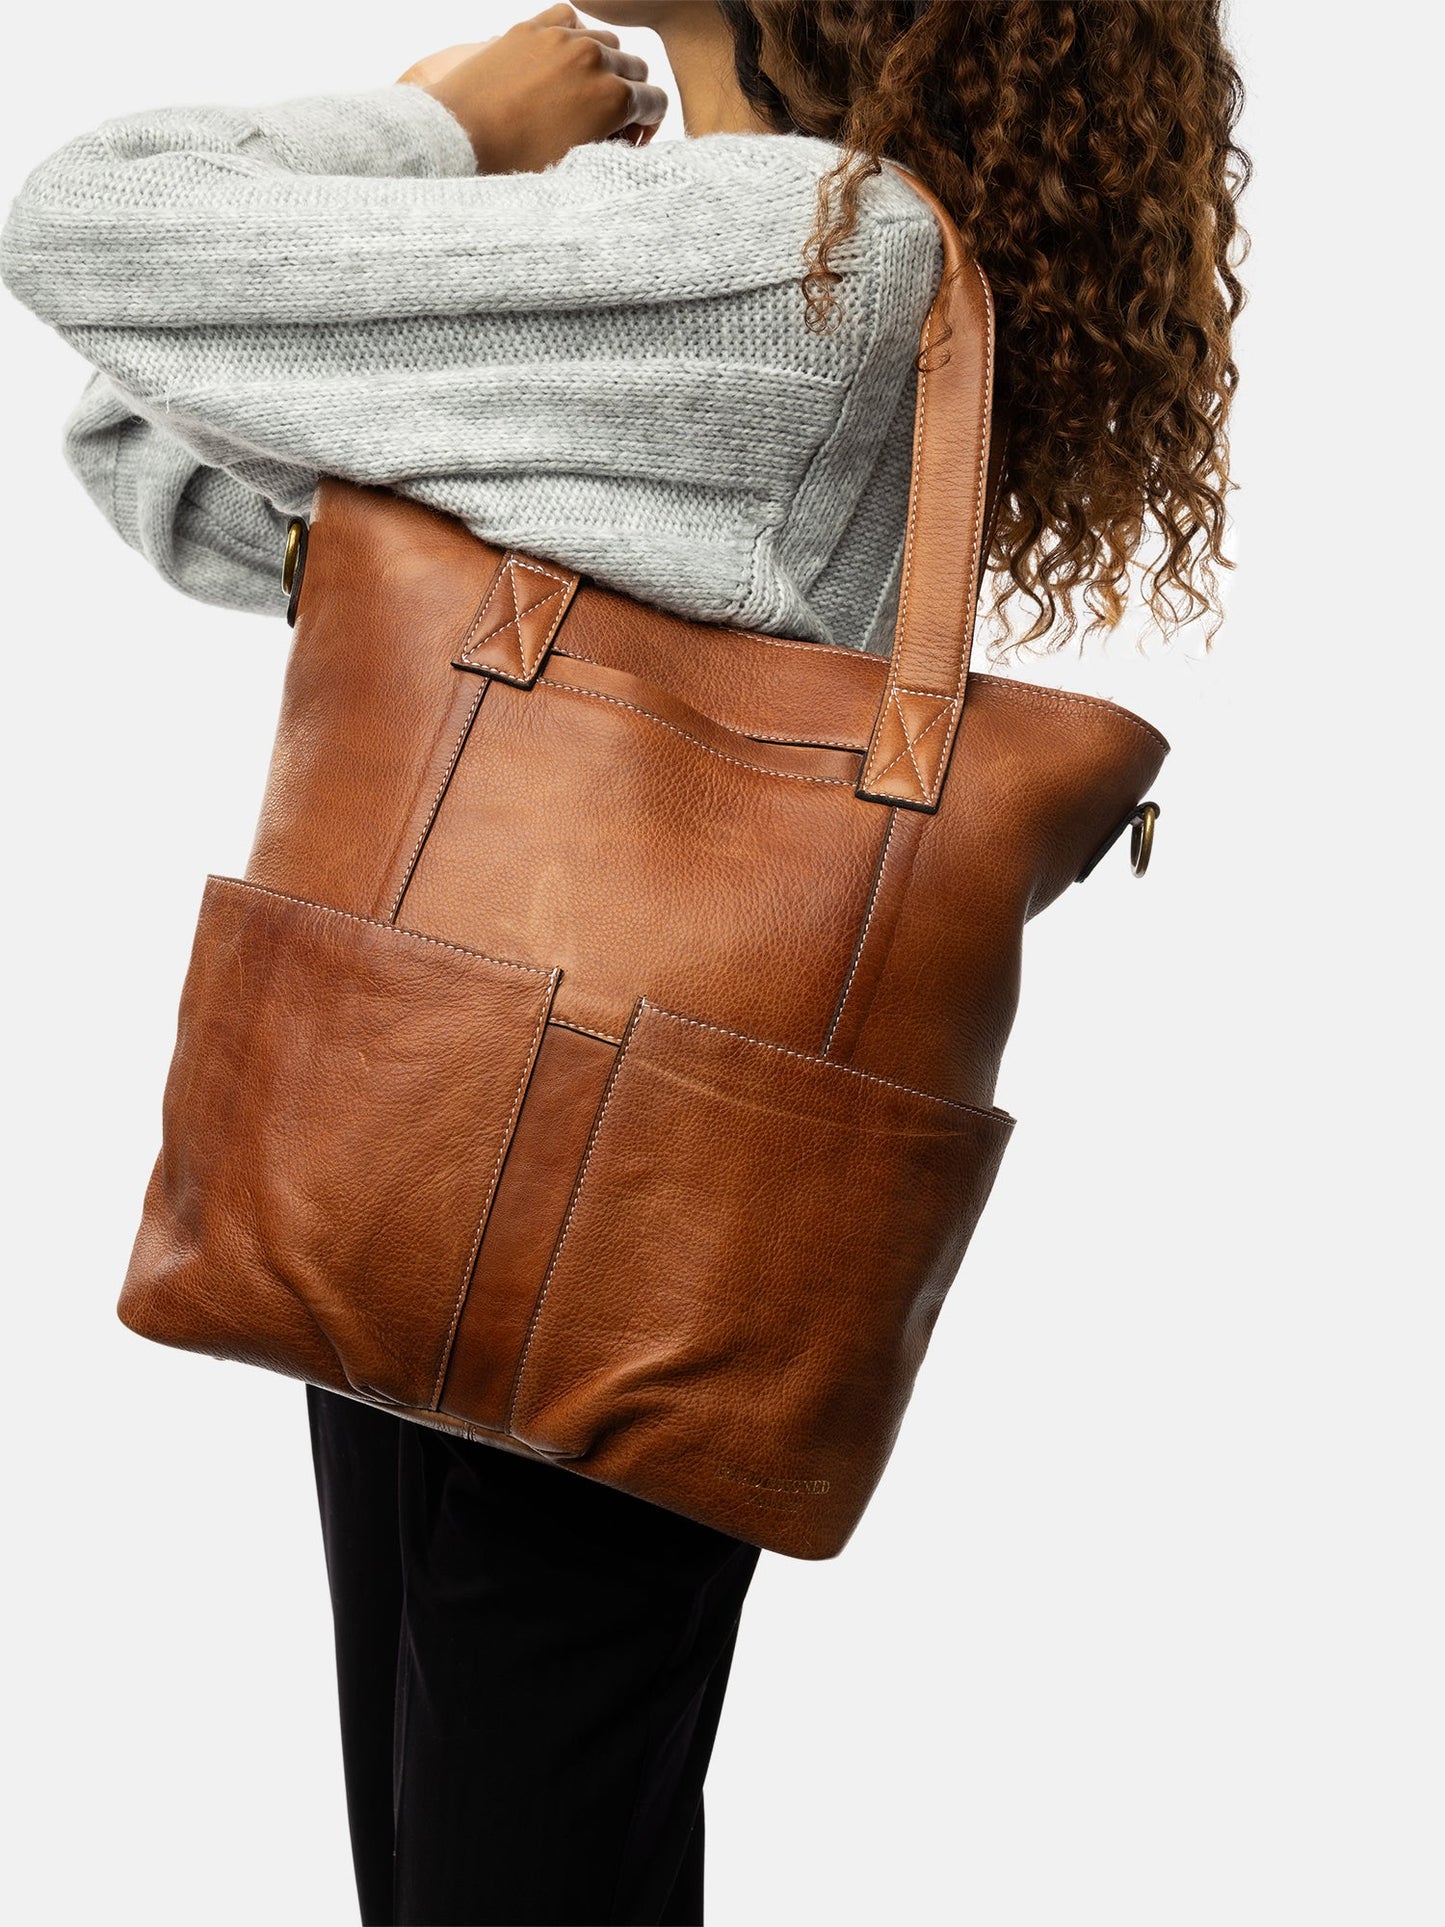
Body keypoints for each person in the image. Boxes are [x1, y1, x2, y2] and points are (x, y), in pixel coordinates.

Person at [0, 3, 1246, 1921]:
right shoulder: (717, 244)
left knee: (502, 1865)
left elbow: (85, 224)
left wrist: (437, 130)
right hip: (515, 1138)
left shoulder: (790, 244)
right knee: (488, 1854)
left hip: (523, 1133)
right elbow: (150, 429)